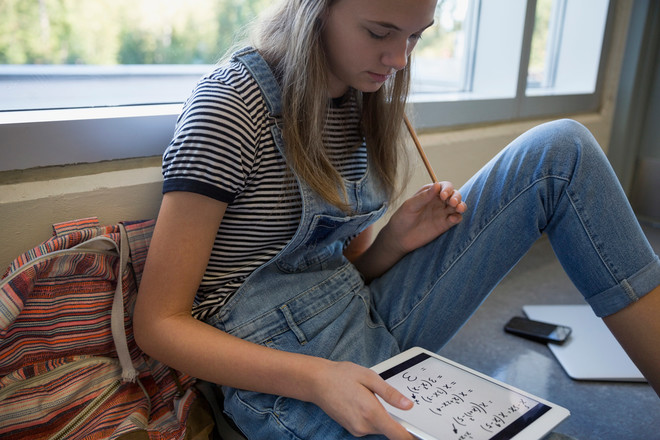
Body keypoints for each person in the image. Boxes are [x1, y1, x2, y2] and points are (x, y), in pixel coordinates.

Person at [133, 0, 660, 438]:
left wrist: (394, 242)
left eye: (416, 36)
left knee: (560, 150)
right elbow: (159, 325)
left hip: (359, 319)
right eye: (380, 32)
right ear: (315, 10)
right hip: (277, 374)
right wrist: (319, 379)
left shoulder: (360, 94)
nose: (399, 59)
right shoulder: (230, 106)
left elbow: (343, 273)